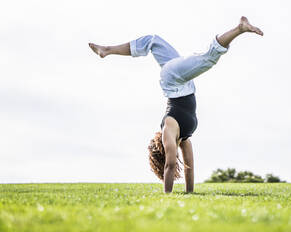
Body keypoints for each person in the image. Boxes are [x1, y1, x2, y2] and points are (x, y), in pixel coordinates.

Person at [89, 16, 263, 193]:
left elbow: (171, 165)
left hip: (174, 81)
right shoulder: (184, 137)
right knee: (152, 41)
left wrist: (168, 194)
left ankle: (239, 28)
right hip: (182, 82)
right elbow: (189, 167)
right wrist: (190, 193)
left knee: (208, 58)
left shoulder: (168, 130)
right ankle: (107, 50)